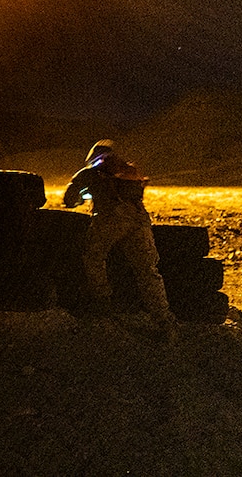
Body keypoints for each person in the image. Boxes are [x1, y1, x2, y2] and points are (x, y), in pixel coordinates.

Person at [63, 140, 177, 341]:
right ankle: (164, 321)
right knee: (148, 271)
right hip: (140, 221)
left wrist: (85, 196)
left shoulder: (89, 173)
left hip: (111, 219)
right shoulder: (130, 172)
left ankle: (103, 305)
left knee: (93, 257)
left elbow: (70, 200)